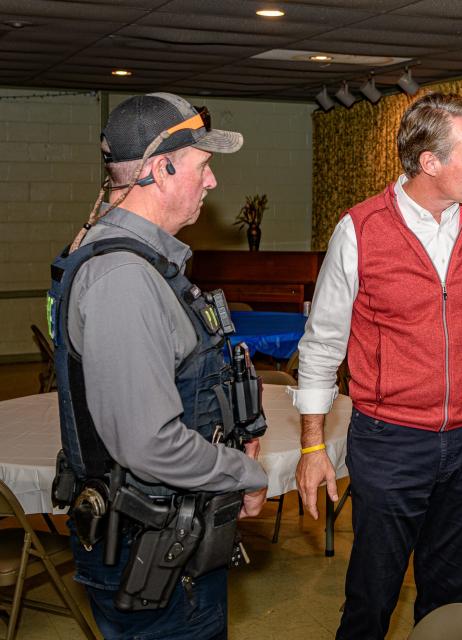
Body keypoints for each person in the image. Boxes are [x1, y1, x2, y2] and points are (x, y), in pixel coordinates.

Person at [290, 92, 462, 639]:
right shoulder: (361, 229)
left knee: (450, 594)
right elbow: (323, 345)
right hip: (389, 440)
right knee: (374, 591)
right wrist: (312, 444)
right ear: (429, 162)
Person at [48, 93, 268, 640]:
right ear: (159, 168)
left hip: (166, 537)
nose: (212, 182)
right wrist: (243, 472)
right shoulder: (123, 277)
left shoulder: (143, 262)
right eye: (203, 166)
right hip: (152, 554)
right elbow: (148, 444)